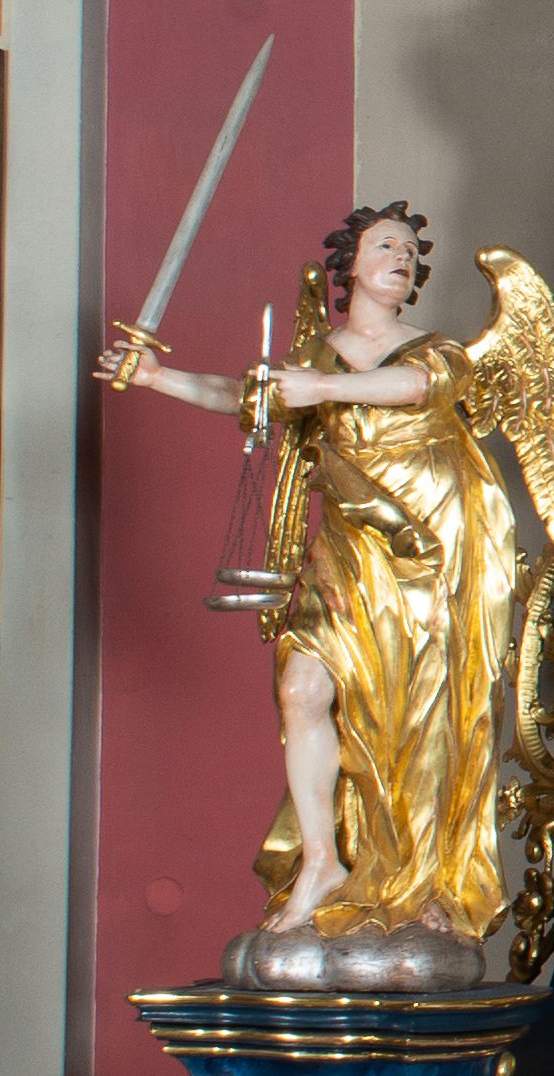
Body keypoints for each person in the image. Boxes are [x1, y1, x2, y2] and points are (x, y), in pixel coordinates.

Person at [98, 204, 517, 946]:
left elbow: (414, 386)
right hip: (347, 550)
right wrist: (157, 377)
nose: (402, 257)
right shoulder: (313, 358)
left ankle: (424, 881)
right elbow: (245, 396)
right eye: (384, 245)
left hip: (426, 552)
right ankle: (322, 861)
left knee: (417, 716)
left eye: (410, 250)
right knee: (302, 690)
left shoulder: (435, 350)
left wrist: (317, 390)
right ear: (349, 265)